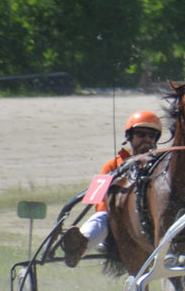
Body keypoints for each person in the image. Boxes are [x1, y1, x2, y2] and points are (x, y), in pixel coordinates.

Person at [62, 111, 163, 267]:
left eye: (152, 136)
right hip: (118, 221)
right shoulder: (112, 166)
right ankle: (78, 248)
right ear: (130, 137)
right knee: (100, 217)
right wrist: (114, 217)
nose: (147, 139)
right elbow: (97, 200)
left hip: (151, 219)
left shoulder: (160, 166)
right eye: (141, 134)